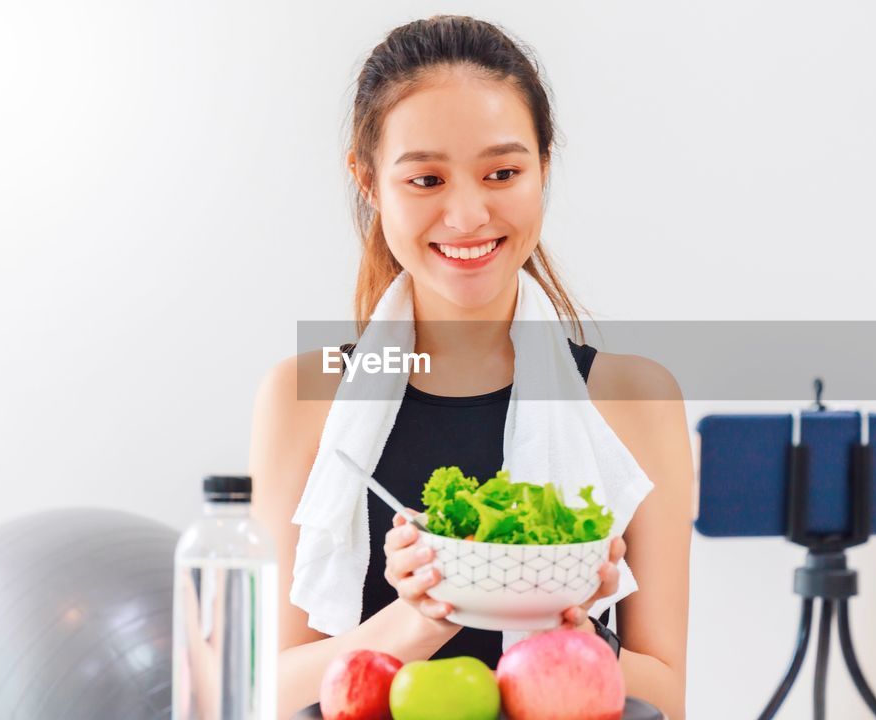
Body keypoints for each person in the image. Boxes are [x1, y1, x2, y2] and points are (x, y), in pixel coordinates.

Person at [249, 15, 693, 719]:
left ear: (545, 166)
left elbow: (668, 692)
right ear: (367, 181)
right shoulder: (306, 397)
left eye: (503, 173)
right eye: (425, 178)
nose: (466, 214)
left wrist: (568, 622)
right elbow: (264, 690)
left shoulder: (635, 398)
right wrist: (420, 616)